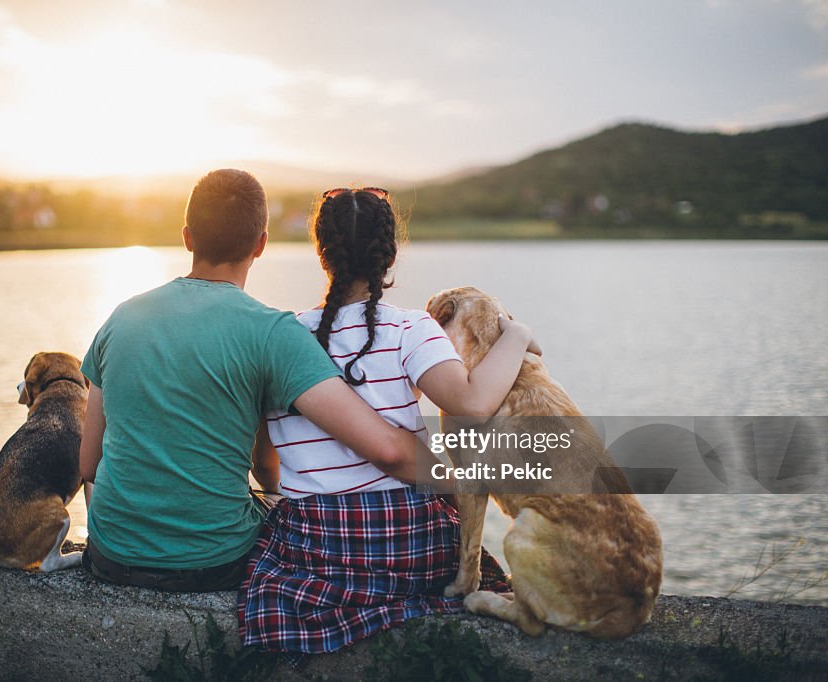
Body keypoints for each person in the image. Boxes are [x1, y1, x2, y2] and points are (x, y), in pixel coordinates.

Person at [78, 170, 444, 592]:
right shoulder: (272, 332)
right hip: (214, 563)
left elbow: (88, 465)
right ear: (261, 245)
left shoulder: (121, 317)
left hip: (110, 556)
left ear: (187, 238)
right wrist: (477, 479)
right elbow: (387, 449)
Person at [238, 187, 539, 654]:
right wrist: (516, 334)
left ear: (323, 254)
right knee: (478, 565)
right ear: (390, 253)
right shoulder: (411, 328)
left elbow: (265, 463)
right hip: (407, 537)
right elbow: (473, 404)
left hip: (316, 541)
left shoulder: (285, 336)